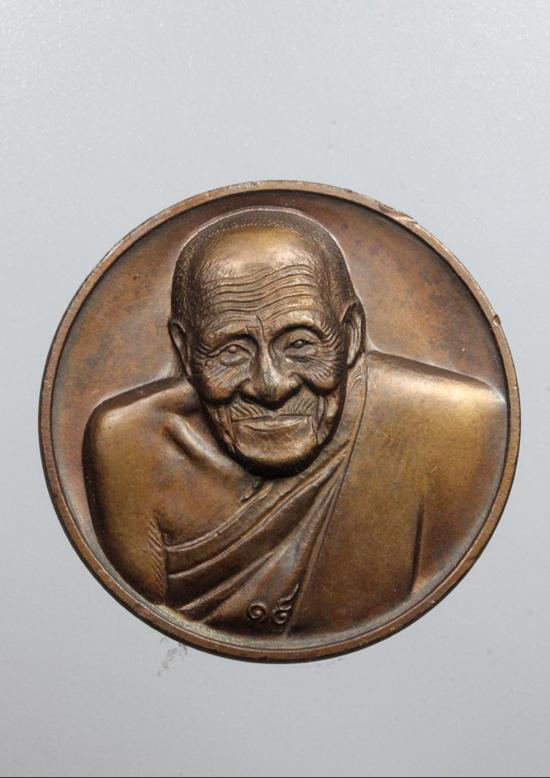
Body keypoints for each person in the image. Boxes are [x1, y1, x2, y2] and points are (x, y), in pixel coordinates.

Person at [85, 207, 506, 640]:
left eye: (301, 344)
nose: (270, 386)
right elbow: (143, 610)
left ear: (351, 335)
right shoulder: (130, 446)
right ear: (185, 351)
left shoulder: (453, 426)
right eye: (231, 350)